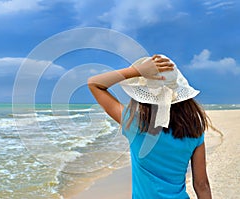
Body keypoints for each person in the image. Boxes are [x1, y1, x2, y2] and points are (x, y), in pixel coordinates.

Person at [87, 54, 212, 199]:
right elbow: (202, 185)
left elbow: (94, 84)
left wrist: (137, 71)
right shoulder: (194, 131)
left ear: (143, 95)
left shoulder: (135, 124)